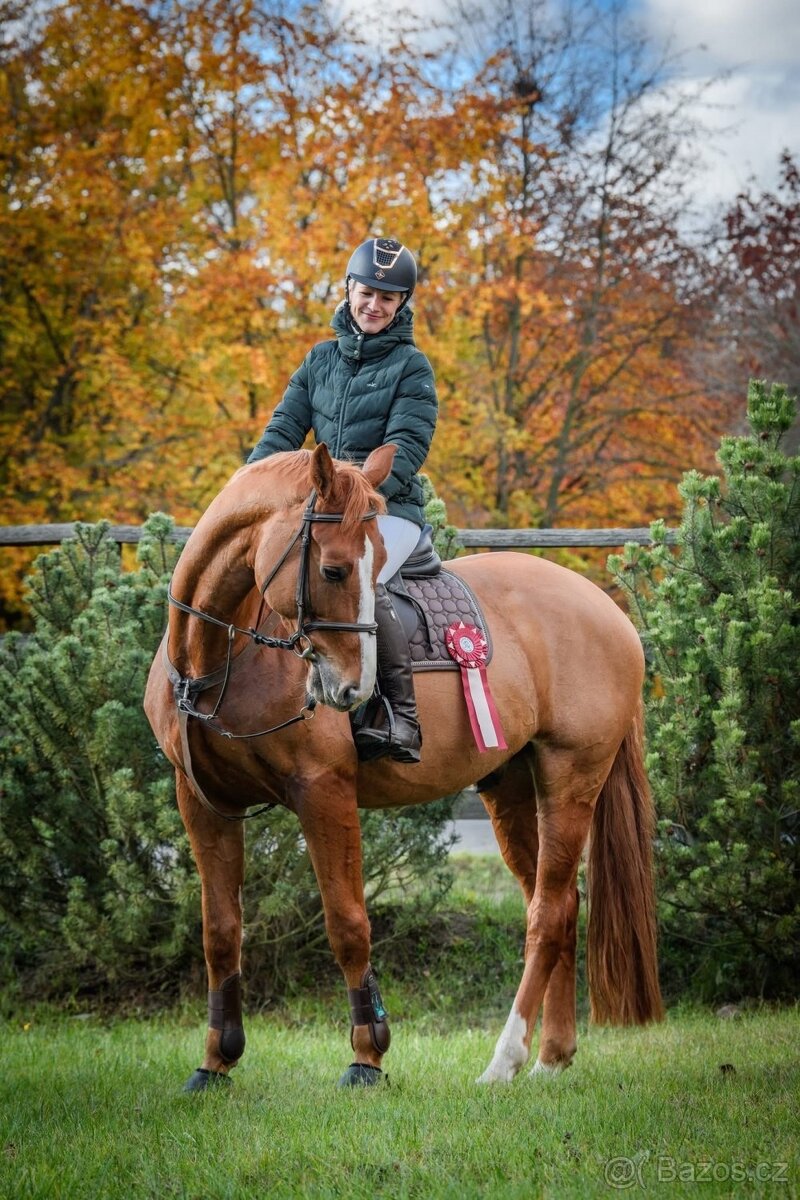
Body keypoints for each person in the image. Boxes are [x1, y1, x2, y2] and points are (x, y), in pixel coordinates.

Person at [247, 236, 438, 763]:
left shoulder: (412, 367)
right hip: (321, 510)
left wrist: (352, 490)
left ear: (401, 306)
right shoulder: (319, 359)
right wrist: (249, 488)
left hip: (387, 510)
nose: (374, 305)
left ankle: (400, 716)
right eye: (367, 292)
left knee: (364, 583)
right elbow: (284, 428)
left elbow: (409, 447)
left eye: (388, 298)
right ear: (348, 289)